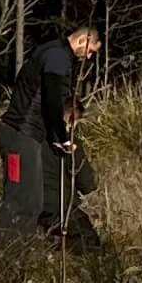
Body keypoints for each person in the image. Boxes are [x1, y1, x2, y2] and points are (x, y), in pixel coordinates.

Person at [0, 23, 100, 241]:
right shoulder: (57, 57)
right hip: (20, 136)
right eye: (91, 51)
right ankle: (8, 259)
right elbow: (53, 101)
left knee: (32, 200)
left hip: (28, 136)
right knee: (21, 200)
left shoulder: (52, 53)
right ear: (84, 40)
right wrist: (61, 137)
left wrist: (53, 138)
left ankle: (15, 255)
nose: (89, 57)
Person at [33, 96, 102, 252]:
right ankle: (53, 247)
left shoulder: (31, 138)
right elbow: (87, 184)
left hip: (29, 205)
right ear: (70, 118)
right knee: (91, 243)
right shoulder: (70, 143)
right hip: (59, 206)